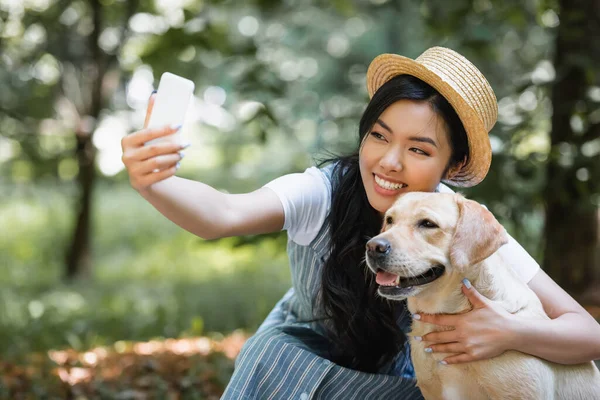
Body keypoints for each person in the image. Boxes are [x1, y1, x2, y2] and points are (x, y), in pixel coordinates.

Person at [121, 47, 600, 399]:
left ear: (452, 168)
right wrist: (154, 183)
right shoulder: (325, 189)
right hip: (302, 363)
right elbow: (223, 214)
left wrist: (512, 332)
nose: (389, 162)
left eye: (418, 149)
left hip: (401, 382)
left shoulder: (461, 224)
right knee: (272, 354)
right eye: (379, 136)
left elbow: (588, 333)